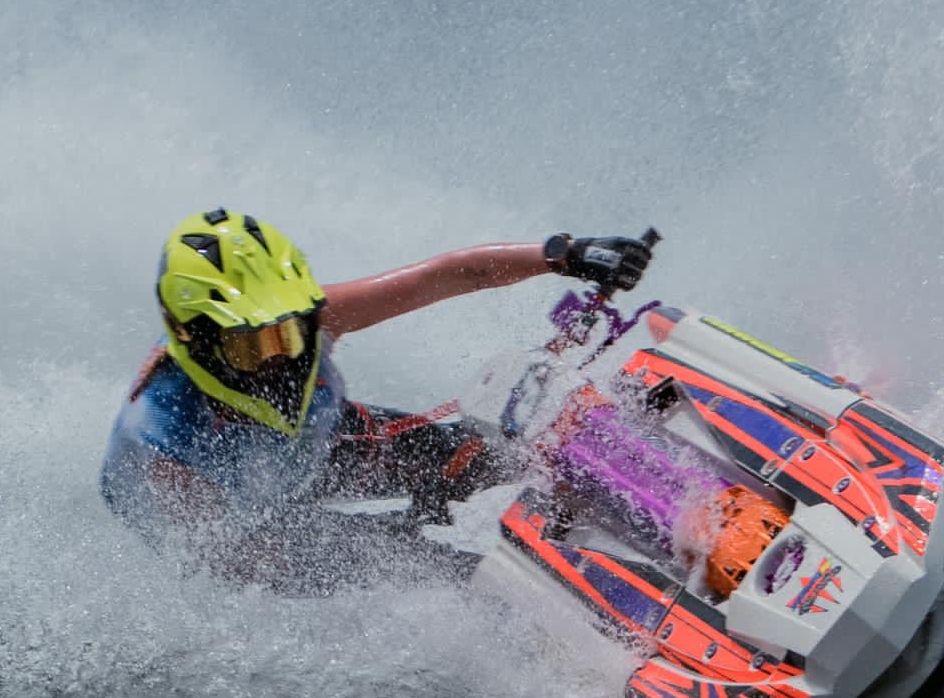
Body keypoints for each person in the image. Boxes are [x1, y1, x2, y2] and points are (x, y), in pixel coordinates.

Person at [102, 209, 657, 590]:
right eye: (254, 346)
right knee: (445, 573)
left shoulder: (310, 315)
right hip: (247, 520)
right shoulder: (160, 448)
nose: (278, 360)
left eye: (287, 334)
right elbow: (235, 563)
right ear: (192, 338)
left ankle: (625, 508)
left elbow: (447, 276)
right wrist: (402, 549)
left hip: (313, 448)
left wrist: (565, 254)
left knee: (482, 461)